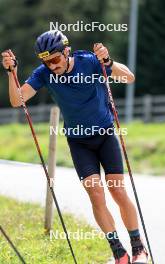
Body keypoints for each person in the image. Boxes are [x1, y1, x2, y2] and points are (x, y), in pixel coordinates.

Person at [1, 30, 148, 264]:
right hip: (79, 142)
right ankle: (118, 251)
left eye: (55, 59)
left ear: (66, 51)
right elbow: (17, 100)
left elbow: (129, 77)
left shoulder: (89, 61)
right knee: (96, 195)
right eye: (46, 61)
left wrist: (108, 63)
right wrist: (12, 74)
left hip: (105, 134)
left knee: (117, 190)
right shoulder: (44, 74)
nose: (52, 66)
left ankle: (138, 246)